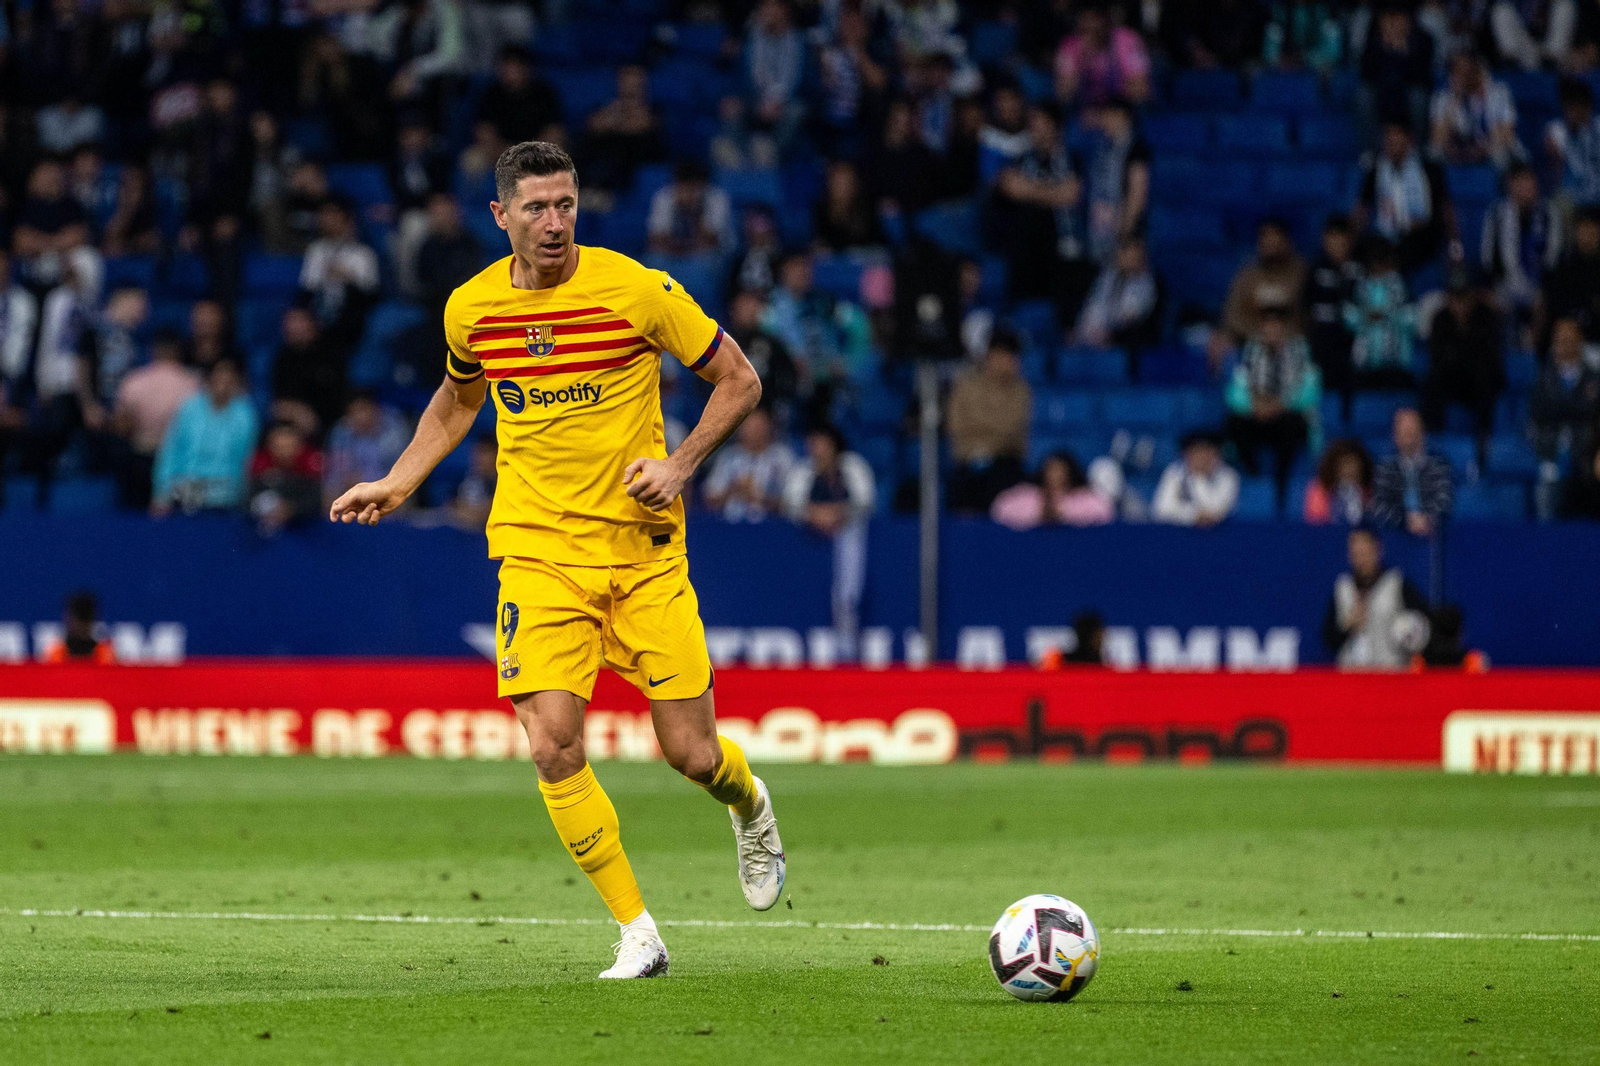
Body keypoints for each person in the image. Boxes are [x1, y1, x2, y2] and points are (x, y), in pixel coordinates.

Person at [327, 142, 778, 980]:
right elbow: (459, 397)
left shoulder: (636, 288)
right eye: (535, 207)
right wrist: (398, 480)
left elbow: (740, 380)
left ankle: (748, 804)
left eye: (565, 204)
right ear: (500, 217)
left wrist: (679, 466)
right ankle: (637, 931)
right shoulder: (471, 309)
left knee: (692, 755)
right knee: (552, 746)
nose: (554, 222)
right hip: (537, 554)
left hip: (641, 553)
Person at [782, 424, 875, 659]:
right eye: (813, 444)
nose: (817, 450)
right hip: (807, 545)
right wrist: (815, 515)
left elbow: (865, 502)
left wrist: (836, 514)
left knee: (852, 542)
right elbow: (790, 505)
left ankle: (848, 630)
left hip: (848, 539)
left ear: (833, 446)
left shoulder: (852, 467)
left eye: (821, 444)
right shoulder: (803, 470)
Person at [1225, 306, 1321, 507]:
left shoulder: (1300, 353)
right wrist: (1255, 406)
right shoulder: (1249, 352)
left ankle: (1281, 482)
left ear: (1285, 329)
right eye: (1267, 328)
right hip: (1257, 416)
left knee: (1294, 424)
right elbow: (1234, 392)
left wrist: (1280, 405)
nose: (1272, 332)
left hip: (1286, 417)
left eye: (1276, 327)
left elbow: (1310, 391)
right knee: (1234, 421)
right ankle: (1254, 477)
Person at [151, 359, 259, 517]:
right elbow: (170, 451)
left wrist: (244, 495)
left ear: (237, 383)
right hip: (188, 485)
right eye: (219, 378)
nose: (223, 385)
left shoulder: (245, 414)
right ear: (209, 380)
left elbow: (247, 458)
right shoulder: (189, 408)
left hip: (227, 490)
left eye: (229, 380)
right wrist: (160, 493)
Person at [109, 331, 201, 510]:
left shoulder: (134, 381)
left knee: (137, 522)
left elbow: (121, 426)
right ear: (178, 351)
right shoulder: (193, 383)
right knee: (180, 520)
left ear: (154, 351)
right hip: (181, 467)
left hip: (142, 462)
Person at [1323, 525, 1430, 670]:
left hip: (1390, 678)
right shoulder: (1343, 588)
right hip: (1351, 679)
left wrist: (1409, 634)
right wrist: (1348, 627)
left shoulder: (1397, 584)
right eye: (1356, 554)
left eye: (1365, 553)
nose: (1361, 560)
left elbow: (1423, 626)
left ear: (1378, 550)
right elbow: (1328, 639)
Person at [946, 332, 1032, 513]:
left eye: (1010, 356)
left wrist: (979, 430)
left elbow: (1011, 430)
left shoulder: (1021, 391)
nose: (1006, 361)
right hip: (967, 464)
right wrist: (989, 431)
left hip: (1006, 464)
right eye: (1000, 354)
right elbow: (956, 426)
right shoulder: (966, 387)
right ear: (990, 356)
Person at [1355, 121, 1456, 274]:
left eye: (1397, 137)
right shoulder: (1376, 169)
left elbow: (1445, 207)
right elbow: (1362, 207)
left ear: (1409, 140)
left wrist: (1454, 242)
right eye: (1388, 138)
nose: (1392, 142)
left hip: (1422, 236)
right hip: (1386, 237)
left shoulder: (1428, 168)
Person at [1421, 268, 1505, 450]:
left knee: (1485, 379)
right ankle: (1433, 439)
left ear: (1473, 296)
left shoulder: (1486, 317)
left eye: (1464, 297)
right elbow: (1437, 357)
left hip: (1479, 376)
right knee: (1431, 383)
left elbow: (1490, 357)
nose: (1459, 304)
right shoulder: (1441, 319)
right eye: (1454, 298)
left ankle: (1485, 442)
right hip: (1452, 376)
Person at [1480, 163, 1564, 337]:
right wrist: (1496, 288)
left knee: (1545, 302)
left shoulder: (1549, 212)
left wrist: (1542, 288)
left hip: (1538, 285)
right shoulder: (1497, 214)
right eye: (1520, 181)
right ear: (1510, 185)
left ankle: (1531, 351)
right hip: (1506, 284)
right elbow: (1487, 258)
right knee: (1486, 301)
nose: (1526, 187)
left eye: (1529, 181)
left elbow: (1553, 257)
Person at [1210, 219, 1307, 369]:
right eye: (1266, 237)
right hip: (1250, 339)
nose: (1270, 242)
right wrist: (1259, 336)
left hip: (1291, 341)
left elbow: (1306, 315)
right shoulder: (1247, 275)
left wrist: (1280, 336)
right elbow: (1233, 315)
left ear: (1287, 241)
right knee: (1218, 343)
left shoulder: (1301, 274)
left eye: (1275, 237)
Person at [1530, 318, 1600, 519]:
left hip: (1587, 455)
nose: (1566, 344)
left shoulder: (1594, 379)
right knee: (1547, 482)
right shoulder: (1543, 380)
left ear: (1580, 342)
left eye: (1570, 339)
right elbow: (1537, 417)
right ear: (1554, 343)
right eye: (1561, 340)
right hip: (1550, 454)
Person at [1305, 215, 1363, 419]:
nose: (1337, 246)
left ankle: (1348, 422)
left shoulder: (1359, 269)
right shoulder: (1315, 269)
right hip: (1322, 340)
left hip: (1352, 340)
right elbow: (1306, 307)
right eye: (1332, 240)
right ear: (1324, 241)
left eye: (1341, 241)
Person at [1073, 236, 1159, 371]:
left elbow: (1129, 319)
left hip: (1121, 346)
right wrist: (1083, 332)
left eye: (1133, 254)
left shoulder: (1146, 284)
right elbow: (1093, 306)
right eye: (1123, 253)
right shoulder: (1107, 277)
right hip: (1091, 339)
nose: (1125, 258)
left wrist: (1108, 335)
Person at [702, 406, 796, 523]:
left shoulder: (782, 458)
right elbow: (709, 498)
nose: (753, 431)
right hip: (729, 527)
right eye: (748, 425)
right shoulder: (729, 456)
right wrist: (733, 490)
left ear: (769, 426)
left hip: (771, 528)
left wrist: (759, 496)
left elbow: (793, 503)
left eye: (758, 426)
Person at [1430, 51, 1523, 168]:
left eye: (1467, 71)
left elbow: (1506, 134)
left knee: (1500, 155)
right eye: (1457, 71)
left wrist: (1483, 150)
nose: (1463, 76)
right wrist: (1455, 100)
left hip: (1493, 150)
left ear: (1477, 70)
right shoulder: (1442, 98)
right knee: (1434, 154)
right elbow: (1438, 139)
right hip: (1460, 152)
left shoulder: (1499, 92)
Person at [1344, 240, 1417, 389]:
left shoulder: (1401, 285)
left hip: (1396, 363)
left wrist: (1387, 315)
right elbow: (1347, 316)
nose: (1378, 266)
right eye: (1374, 261)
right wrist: (1364, 316)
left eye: (1382, 260)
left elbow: (1413, 318)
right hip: (1365, 364)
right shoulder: (1360, 285)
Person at [1054, 3, 1152, 111]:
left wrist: (1111, 112)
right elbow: (1064, 95)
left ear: (1106, 20)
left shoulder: (1127, 39)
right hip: (1085, 111)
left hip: (1123, 109)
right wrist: (1083, 58)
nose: (1090, 25)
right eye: (1085, 20)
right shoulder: (1069, 45)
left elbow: (1141, 90)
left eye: (1094, 19)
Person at [322, 393, 411, 512]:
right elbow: (335, 473)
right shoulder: (341, 432)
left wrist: (368, 482)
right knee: (332, 487)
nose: (360, 416)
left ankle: (397, 526)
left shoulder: (394, 430)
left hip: (387, 487)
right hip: (353, 491)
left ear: (375, 410)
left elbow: (403, 472)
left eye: (363, 410)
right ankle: (333, 524)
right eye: (354, 412)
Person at [1372, 408, 1454, 535]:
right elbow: (1380, 505)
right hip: (1394, 534)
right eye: (1404, 430)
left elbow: (1444, 501)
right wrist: (1406, 520)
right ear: (1394, 435)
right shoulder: (1384, 469)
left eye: (1412, 429)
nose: (1409, 433)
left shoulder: (1439, 466)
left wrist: (1426, 520)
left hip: (1432, 533)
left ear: (1423, 433)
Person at [990, 451, 1114, 530]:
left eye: (1060, 471)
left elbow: (1105, 513)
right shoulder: (1029, 494)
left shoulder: (1085, 497)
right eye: (1051, 470)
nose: (1055, 476)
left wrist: (1063, 513)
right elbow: (999, 509)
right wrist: (1039, 513)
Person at [647, 159, 734, 258]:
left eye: (694, 187)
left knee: (703, 261)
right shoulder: (664, 196)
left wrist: (695, 208)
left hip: (713, 253)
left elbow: (711, 240)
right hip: (671, 252)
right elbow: (655, 239)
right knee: (655, 259)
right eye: (684, 186)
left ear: (703, 184)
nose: (688, 192)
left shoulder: (717, 198)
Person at [249, 421, 324, 535]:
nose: (284, 452)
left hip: (305, 533)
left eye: (288, 446)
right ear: (270, 445)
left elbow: (316, 501)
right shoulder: (260, 466)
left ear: (299, 446)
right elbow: (249, 500)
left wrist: (291, 509)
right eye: (279, 447)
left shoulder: (311, 466)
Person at [1152, 432, 1240, 527]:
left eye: (1207, 451)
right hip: (1179, 535)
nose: (1202, 457)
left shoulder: (1229, 476)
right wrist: (1192, 515)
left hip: (1222, 537)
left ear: (1216, 453)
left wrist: (1200, 478)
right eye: (1196, 451)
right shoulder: (1174, 473)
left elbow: (1219, 512)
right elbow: (1161, 510)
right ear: (1187, 454)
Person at [1544, 208, 1600, 340]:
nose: (1588, 235)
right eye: (1583, 229)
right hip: (1569, 335)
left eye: (1592, 229)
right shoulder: (1564, 265)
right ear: (1576, 232)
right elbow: (1556, 306)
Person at [1545, 77, 1600, 211]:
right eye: (1570, 107)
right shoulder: (1556, 130)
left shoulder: (1598, 125)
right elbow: (1554, 167)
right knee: (1560, 204)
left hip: (1597, 185)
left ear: (1587, 107)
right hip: (1571, 192)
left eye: (1579, 107)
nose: (1574, 112)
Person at [1304, 439, 1375, 525]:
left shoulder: (1371, 490)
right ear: (1334, 467)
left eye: (1353, 464)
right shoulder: (1321, 489)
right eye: (1345, 464)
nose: (1349, 469)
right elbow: (1316, 523)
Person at [43, 591, 116, 664]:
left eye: (86, 618)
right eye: (78, 618)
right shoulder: (55, 655)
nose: (81, 625)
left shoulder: (106, 656)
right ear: (67, 618)